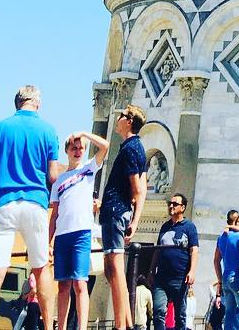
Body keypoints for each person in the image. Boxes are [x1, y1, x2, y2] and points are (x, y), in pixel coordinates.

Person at [0, 86, 61, 330]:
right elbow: (53, 175)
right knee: (41, 268)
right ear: (36, 102)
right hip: (35, 203)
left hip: (3, 204)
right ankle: (49, 326)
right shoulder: (48, 130)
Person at [49, 130, 109, 330]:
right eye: (73, 148)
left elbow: (105, 146)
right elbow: (54, 215)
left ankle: (82, 327)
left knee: (80, 284)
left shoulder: (89, 168)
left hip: (82, 233)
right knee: (63, 285)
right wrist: (48, 241)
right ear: (67, 150)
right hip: (62, 236)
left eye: (81, 148)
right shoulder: (58, 180)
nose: (77, 151)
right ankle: (62, 326)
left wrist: (84, 134)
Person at [100, 104, 148, 330]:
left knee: (115, 267)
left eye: (121, 116)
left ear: (129, 121)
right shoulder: (136, 147)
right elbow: (143, 188)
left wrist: (134, 220)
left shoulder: (130, 149)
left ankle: (120, 325)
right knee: (111, 269)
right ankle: (127, 321)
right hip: (116, 209)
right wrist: (135, 219)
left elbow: (137, 189)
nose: (117, 118)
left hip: (116, 210)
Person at [146, 193, 199, 330]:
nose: (171, 206)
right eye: (170, 203)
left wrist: (192, 271)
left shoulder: (189, 227)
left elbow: (194, 250)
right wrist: (151, 271)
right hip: (161, 278)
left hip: (180, 279)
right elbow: (157, 250)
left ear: (183, 207)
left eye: (175, 204)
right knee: (158, 311)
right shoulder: (164, 227)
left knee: (180, 315)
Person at [214, 213, 239, 330]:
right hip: (237, 277)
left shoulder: (221, 237)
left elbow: (216, 261)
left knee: (229, 313)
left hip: (226, 279)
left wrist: (220, 281)